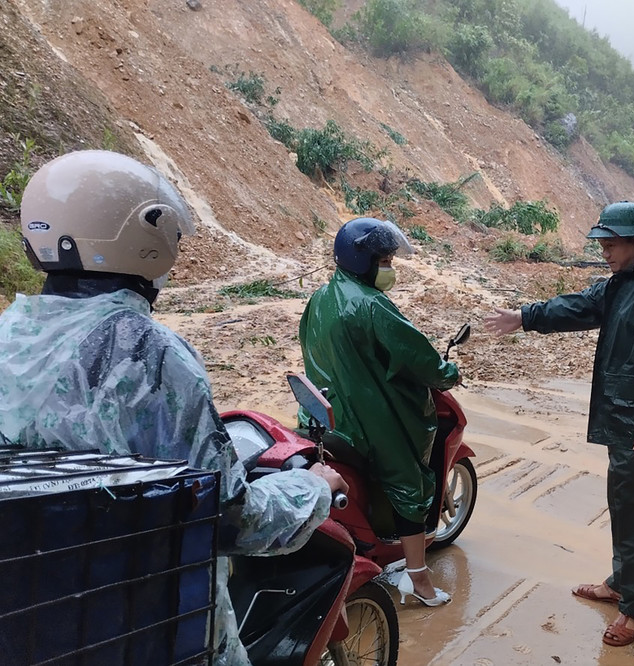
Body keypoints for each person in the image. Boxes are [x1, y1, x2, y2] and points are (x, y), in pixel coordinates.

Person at [0, 150, 348, 666]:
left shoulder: (9, 335)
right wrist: (312, 488)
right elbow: (228, 519)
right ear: (151, 237)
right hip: (146, 628)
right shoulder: (148, 355)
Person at [484, 201, 634, 647]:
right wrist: (524, 317)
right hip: (622, 417)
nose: (604, 250)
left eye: (611, 243)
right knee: (623, 503)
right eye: (601, 243)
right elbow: (579, 307)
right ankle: (622, 582)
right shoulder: (623, 283)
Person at [299, 217, 460, 606]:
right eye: (385, 259)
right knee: (410, 484)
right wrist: (448, 373)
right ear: (363, 260)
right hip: (368, 421)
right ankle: (418, 579)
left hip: (325, 415)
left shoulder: (320, 298)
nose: (389, 267)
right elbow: (418, 356)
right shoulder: (373, 305)